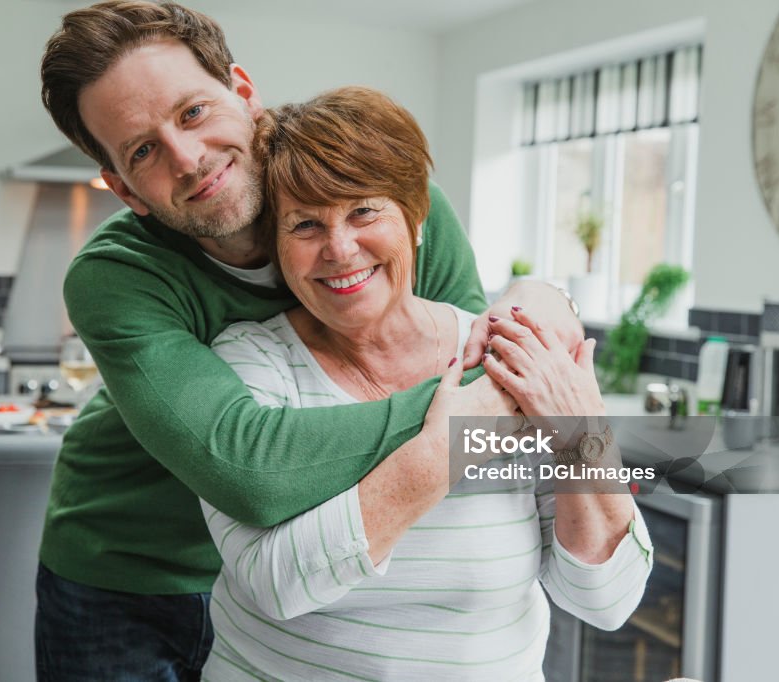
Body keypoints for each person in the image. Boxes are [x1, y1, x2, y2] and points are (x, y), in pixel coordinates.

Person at [34, 2, 584, 679]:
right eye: (143, 150)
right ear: (123, 189)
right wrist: (496, 402)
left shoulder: (386, 200)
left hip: (296, 578)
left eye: (193, 112)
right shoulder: (117, 276)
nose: (188, 158)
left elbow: (461, 366)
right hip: (126, 575)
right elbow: (253, 470)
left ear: (243, 92)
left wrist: (547, 302)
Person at [201, 87, 652, 681]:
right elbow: (275, 584)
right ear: (279, 247)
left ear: (415, 222)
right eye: (306, 224)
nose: (339, 249)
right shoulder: (251, 364)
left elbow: (606, 601)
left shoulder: (508, 354)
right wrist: (442, 452)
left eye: (364, 211)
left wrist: (582, 433)